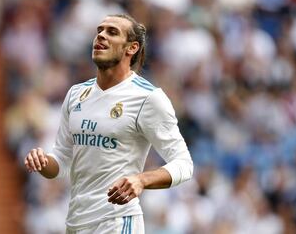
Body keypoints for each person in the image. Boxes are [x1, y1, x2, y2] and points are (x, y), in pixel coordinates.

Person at [24, 14, 193, 234]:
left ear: (131, 48)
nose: (101, 36)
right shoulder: (76, 94)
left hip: (117, 222)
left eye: (112, 32)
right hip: (76, 222)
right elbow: (62, 161)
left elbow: (184, 164)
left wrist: (141, 180)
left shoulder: (148, 97)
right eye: (99, 30)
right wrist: (43, 161)